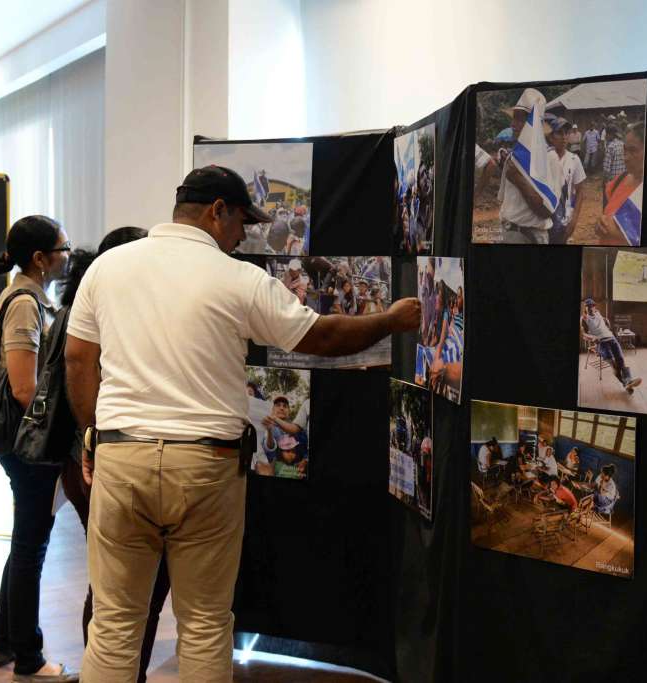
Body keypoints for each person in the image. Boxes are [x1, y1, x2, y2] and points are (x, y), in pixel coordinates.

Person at [64, 164, 420, 681]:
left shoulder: (108, 268)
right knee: (205, 624)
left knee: (115, 624)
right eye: (241, 224)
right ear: (217, 211)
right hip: (205, 466)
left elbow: (78, 359)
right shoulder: (238, 278)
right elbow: (321, 337)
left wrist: (91, 436)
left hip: (122, 456)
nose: (242, 236)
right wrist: (389, 320)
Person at [55, 226, 167, 683]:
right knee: (131, 586)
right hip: (101, 460)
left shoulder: (81, 308)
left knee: (111, 583)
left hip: (88, 459)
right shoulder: (114, 317)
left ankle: (107, 672)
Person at [0, 215, 78, 682]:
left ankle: (3, 643)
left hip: (23, 441)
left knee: (26, 542)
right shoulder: (25, 304)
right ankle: (28, 657)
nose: (68, 255)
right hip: (28, 443)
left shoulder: (25, 296)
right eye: (64, 248)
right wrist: (51, 435)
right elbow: (25, 387)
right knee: (30, 548)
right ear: (41, 258)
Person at [497, 90, 562, 244]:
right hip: (507, 231)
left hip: (531, 236)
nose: (513, 125)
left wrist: (518, 179)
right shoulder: (513, 157)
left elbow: (547, 210)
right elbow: (503, 201)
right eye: (514, 118)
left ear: (534, 125)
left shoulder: (549, 158)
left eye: (520, 119)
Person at [596, 121, 645, 245]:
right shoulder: (617, 182)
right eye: (625, 150)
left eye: (633, 150)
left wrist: (616, 232)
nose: (626, 158)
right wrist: (600, 224)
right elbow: (604, 219)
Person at [581, 298, 641, 392]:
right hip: (602, 343)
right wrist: (593, 337)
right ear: (585, 308)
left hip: (612, 339)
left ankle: (629, 381)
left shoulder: (598, 313)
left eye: (591, 306)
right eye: (587, 307)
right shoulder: (584, 319)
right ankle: (626, 383)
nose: (589, 308)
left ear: (594, 307)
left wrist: (607, 328)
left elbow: (604, 323)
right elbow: (583, 335)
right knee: (614, 365)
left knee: (621, 361)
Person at [547, 117, 586, 245]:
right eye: (559, 133)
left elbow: (580, 191)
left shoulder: (574, 159)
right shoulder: (544, 159)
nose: (564, 137)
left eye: (566, 133)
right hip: (544, 219)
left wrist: (574, 221)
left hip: (564, 220)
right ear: (551, 137)